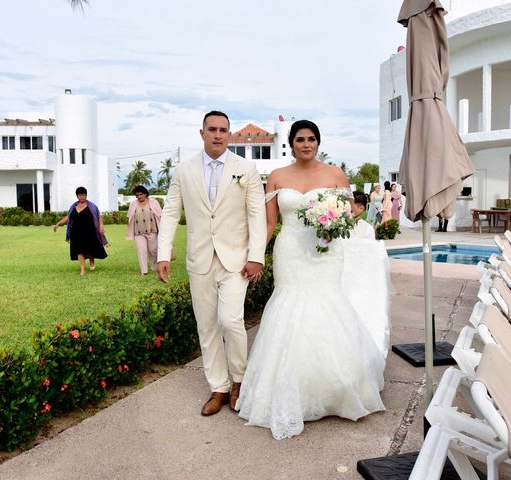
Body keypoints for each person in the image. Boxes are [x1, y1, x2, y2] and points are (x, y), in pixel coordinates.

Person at [236, 120, 391, 440]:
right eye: (300, 139)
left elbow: (350, 215)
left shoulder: (336, 175)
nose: (306, 144)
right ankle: (292, 389)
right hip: (291, 250)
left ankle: (336, 388)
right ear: (291, 143)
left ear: (318, 143)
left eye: (311, 139)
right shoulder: (278, 177)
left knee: (327, 305)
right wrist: (255, 255)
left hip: (326, 252)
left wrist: (332, 222)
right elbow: (269, 224)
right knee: (289, 305)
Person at [156, 111, 267, 416]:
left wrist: (257, 256)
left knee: (230, 321)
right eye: (212, 129)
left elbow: (256, 214)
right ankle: (218, 387)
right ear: (201, 133)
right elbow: (169, 212)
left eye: (223, 130)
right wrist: (163, 254)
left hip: (236, 260)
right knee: (206, 327)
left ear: (229, 135)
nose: (218, 135)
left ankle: (239, 382)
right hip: (200, 259)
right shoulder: (184, 170)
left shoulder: (246, 168)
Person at [53, 187, 108, 276]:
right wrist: (58, 224)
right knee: (79, 250)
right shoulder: (73, 207)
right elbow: (68, 217)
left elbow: (99, 216)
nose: (81, 197)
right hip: (76, 232)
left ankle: (91, 260)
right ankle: (82, 269)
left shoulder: (92, 206)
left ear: (86, 195)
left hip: (89, 232)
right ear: (77, 196)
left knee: (88, 249)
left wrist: (101, 225)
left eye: (83, 195)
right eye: (80, 195)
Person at [126, 185, 162, 276]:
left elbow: (160, 215)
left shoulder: (153, 202)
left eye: (140, 194)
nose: (139, 197)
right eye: (137, 195)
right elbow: (129, 216)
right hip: (138, 232)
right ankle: (144, 271)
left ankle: (154, 267)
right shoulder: (133, 204)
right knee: (141, 251)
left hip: (152, 230)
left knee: (153, 250)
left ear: (145, 194)